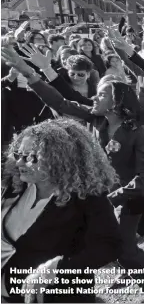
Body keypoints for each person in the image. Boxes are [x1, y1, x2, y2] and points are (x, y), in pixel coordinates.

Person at [2, 45, 144, 287]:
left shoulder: (138, 133)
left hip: (131, 198)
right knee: (104, 240)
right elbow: (61, 102)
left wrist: (114, 198)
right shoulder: (97, 118)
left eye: (101, 95)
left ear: (117, 102)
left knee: (125, 248)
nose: (95, 98)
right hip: (104, 194)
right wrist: (29, 73)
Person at [1, 118, 122, 303]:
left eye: (30, 157)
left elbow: (110, 245)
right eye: (18, 154)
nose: (19, 163)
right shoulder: (16, 183)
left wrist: (59, 267)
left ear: (60, 160)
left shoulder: (87, 199)